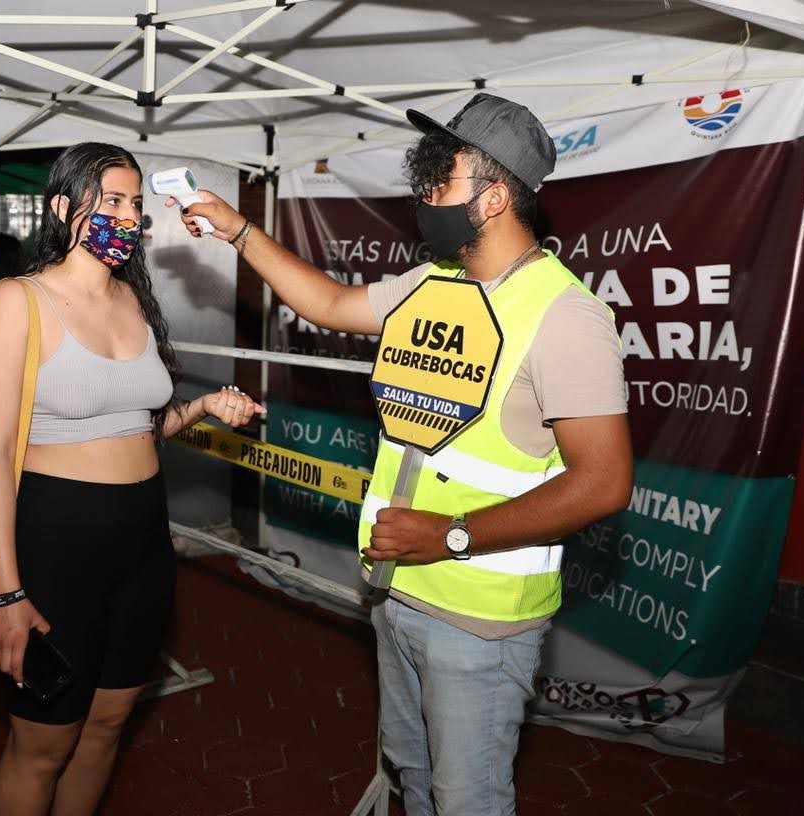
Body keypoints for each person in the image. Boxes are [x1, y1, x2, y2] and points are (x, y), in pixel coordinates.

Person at [173, 95, 634, 815]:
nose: (423, 198)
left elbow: (604, 483)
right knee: (411, 777)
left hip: (480, 620)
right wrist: (239, 233)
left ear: (496, 196)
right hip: (396, 592)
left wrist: (450, 536)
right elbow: (328, 304)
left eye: (439, 182)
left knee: (468, 802)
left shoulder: (565, 316)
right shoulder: (432, 282)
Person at [0, 142, 263, 816]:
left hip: (143, 547)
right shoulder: (17, 303)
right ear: (63, 206)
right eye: (113, 202)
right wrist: (6, 593)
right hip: (53, 544)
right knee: (42, 746)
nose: (129, 217)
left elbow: (138, 427)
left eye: (136, 205)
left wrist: (206, 407)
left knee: (104, 730)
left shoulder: (133, 298)